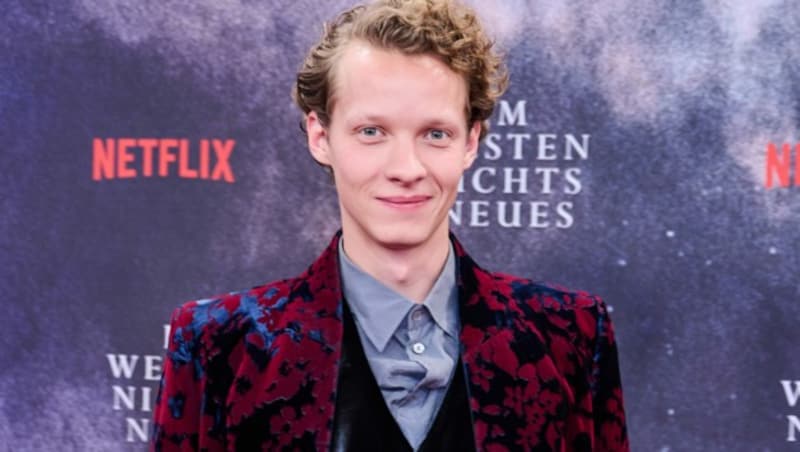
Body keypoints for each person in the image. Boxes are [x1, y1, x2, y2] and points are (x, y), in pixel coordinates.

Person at [151, 0, 629, 450]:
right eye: (371, 132)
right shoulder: (219, 346)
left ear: (470, 143)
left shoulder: (570, 335)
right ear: (321, 137)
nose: (406, 167)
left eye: (435, 134)